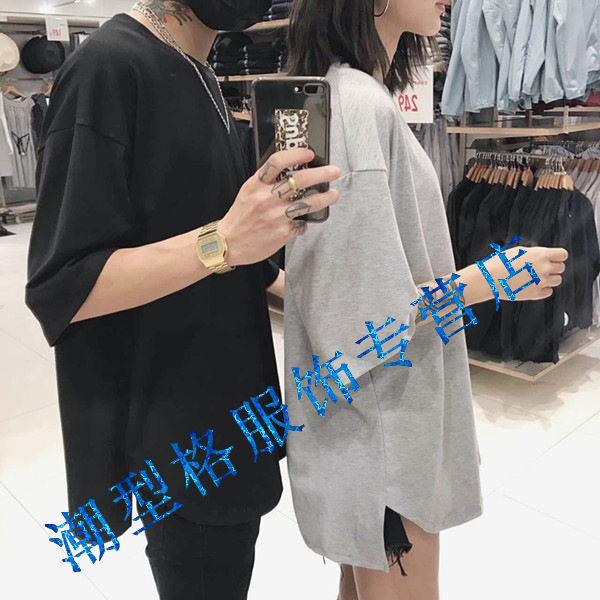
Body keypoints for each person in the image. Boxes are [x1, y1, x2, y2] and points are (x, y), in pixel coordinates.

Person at [25, 1, 340, 598]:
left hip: (228, 403)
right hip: (175, 431)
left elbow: (191, 227)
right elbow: (63, 286)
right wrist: (224, 241)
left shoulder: (197, 66)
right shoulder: (109, 68)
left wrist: (303, 288)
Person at [283, 1, 569, 599]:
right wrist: (488, 279)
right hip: (383, 434)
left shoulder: (350, 96)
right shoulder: (358, 105)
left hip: (378, 425)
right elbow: (356, 319)